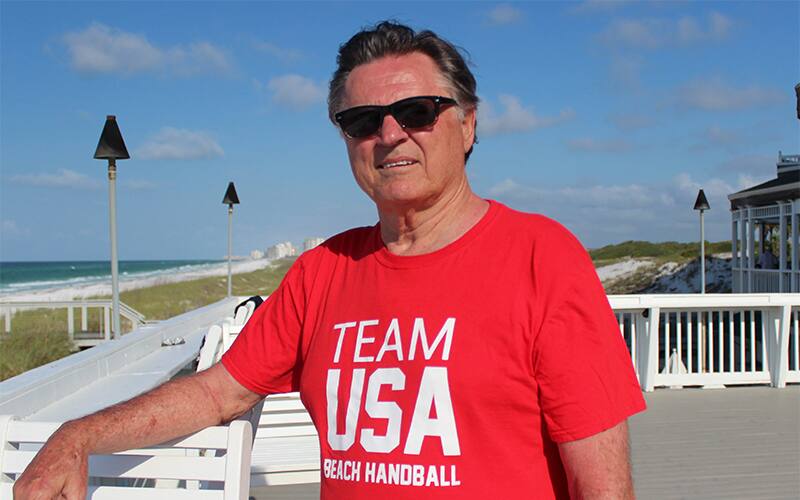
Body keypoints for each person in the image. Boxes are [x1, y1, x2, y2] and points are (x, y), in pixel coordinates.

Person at [14, 21, 645, 500]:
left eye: (417, 112)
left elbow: (602, 482)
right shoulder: (324, 271)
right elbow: (215, 395)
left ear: (468, 125)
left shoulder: (541, 258)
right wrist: (78, 436)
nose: (390, 134)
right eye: (363, 120)